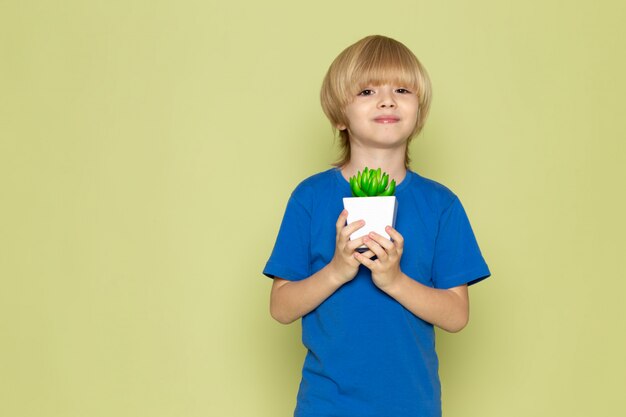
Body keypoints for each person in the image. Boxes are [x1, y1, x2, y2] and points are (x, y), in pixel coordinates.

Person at [263, 35, 491, 417]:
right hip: (326, 405)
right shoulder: (311, 197)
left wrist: (393, 280)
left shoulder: (441, 205)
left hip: (411, 405)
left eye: (402, 89)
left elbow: (457, 315)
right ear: (339, 115)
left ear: (418, 111)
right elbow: (281, 308)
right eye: (367, 91)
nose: (387, 100)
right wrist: (337, 271)